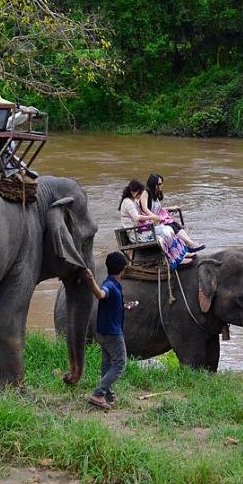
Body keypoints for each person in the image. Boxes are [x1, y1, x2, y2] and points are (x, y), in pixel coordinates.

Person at [84, 251, 137, 410]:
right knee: (120, 363)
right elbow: (101, 295)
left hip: (103, 330)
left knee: (107, 364)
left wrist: (125, 306)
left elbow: (110, 304)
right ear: (123, 269)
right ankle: (98, 393)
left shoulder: (113, 284)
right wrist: (92, 280)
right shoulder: (109, 285)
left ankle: (107, 394)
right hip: (111, 333)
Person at [120, 180, 191, 267]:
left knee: (169, 229)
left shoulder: (133, 201)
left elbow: (141, 215)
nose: (140, 195)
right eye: (139, 192)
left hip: (140, 230)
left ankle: (181, 253)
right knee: (165, 233)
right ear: (133, 192)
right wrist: (152, 217)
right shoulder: (128, 203)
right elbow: (136, 217)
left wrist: (151, 220)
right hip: (136, 234)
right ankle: (176, 259)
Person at [140, 173, 205, 252]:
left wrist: (171, 208)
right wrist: (154, 217)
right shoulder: (145, 193)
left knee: (175, 224)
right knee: (171, 226)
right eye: (159, 184)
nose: (162, 186)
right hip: (148, 221)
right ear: (153, 184)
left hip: (156, 219)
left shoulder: (155, 195)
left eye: (162, 183)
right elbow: (145, 208)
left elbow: (159, 209)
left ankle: (189, 243)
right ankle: (190, 244)